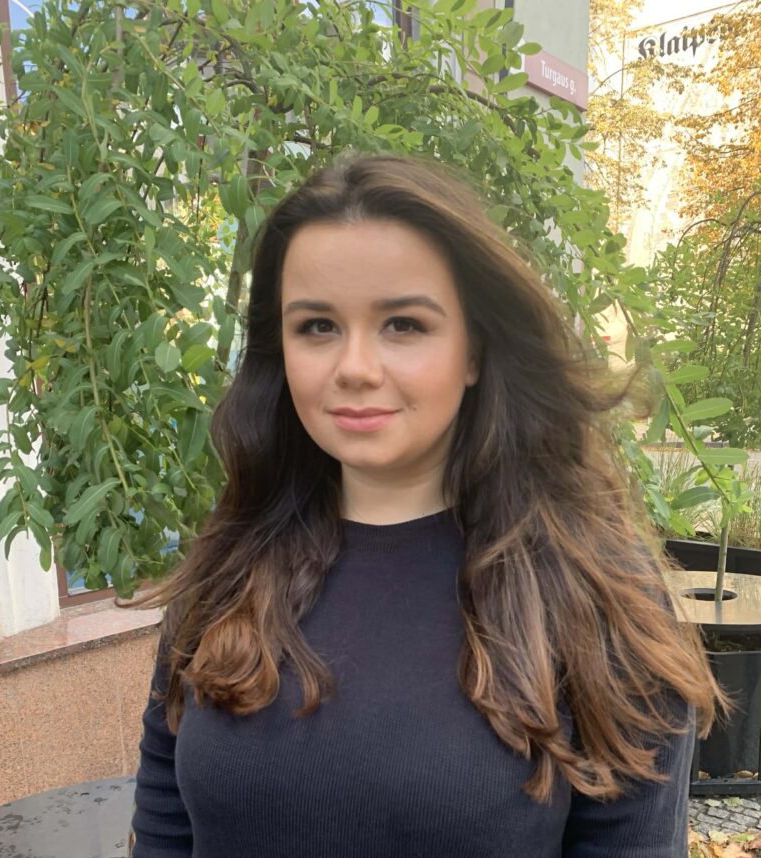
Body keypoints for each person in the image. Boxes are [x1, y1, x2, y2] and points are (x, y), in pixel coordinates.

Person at [127, 152, 726, 857]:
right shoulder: (230, 564)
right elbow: (163, 825)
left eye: (404, 325)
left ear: (474, 350)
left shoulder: (592, 589)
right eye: (317, 326)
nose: (354, 368)